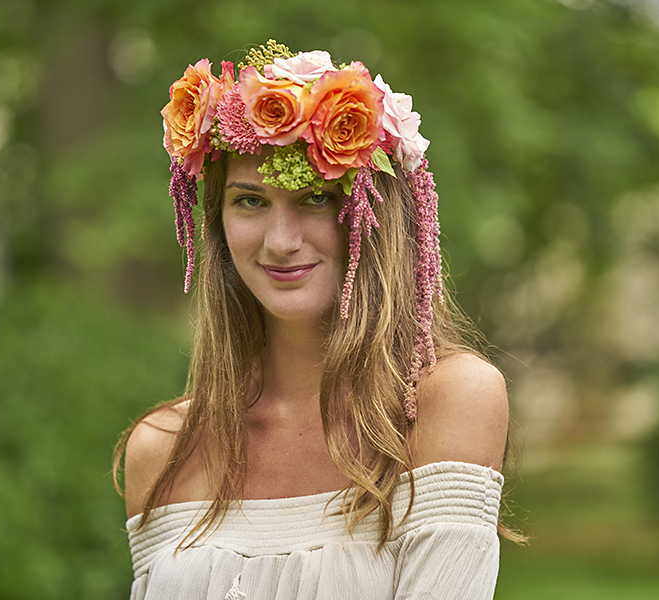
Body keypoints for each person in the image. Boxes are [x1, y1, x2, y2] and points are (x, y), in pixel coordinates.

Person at [114, 40, 523, 600]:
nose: (281, 243)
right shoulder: (162, 449)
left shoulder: (447, 404)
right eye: (250, 201)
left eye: (316, 200)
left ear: (377, 215)